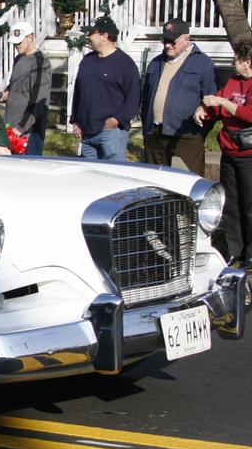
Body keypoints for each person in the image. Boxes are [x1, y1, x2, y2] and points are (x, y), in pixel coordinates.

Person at [194, 39, 252, 266]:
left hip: (249, 155)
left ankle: (250, 252)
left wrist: (222, 102)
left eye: (237, 59)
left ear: (248, 63)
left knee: (249, 205)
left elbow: (248, 114)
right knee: (231, 203)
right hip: (229, 151)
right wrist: (204, 109)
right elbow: (216, 105)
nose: (233, 62)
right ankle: (233, 248)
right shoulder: (233, 82)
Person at [140, 18, 217, 176]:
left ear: (185, 39)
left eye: (172, 41)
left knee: (185, 184)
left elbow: (212, 99)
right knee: (155, 183)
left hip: (185, 136)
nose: (167, 45)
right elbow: (146, 96)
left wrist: (198, 133)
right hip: (154, 133)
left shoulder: (202, 63)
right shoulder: (156, 63)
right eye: (165, 40)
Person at [70, 16, 139, 162]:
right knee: (89, 178)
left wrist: (115, 121)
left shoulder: (125, 64)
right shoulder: (87, 60)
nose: (87, 37)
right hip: (86, 133)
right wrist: (75, 120)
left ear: (105, 36)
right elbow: (78, 92)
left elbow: (133, 99)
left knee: (113, 176)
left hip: (111, 133)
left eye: (91, 33)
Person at [0, 21, 52, 156]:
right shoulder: (18, 59)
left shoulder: (41, 61)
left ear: (30, 37)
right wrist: (6, 93)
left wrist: (21, 128)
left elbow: (39, 98)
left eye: (19, 42)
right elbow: (15, 84)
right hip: (11, 125)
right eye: (15, 43)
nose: (16, 46)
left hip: (29, 130)